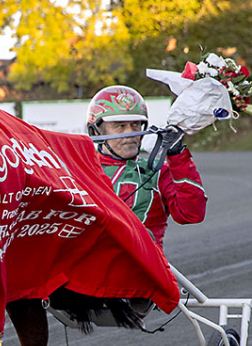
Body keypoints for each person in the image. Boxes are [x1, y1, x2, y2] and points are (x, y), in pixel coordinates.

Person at [86, 85, 207, 248]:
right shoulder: (80, 170)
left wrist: (178, 156)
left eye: (135, 125)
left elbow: (192, 214)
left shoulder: (159, 172)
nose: (131, 134)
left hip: (144, 269)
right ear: (96, 132)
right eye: (120, 126)